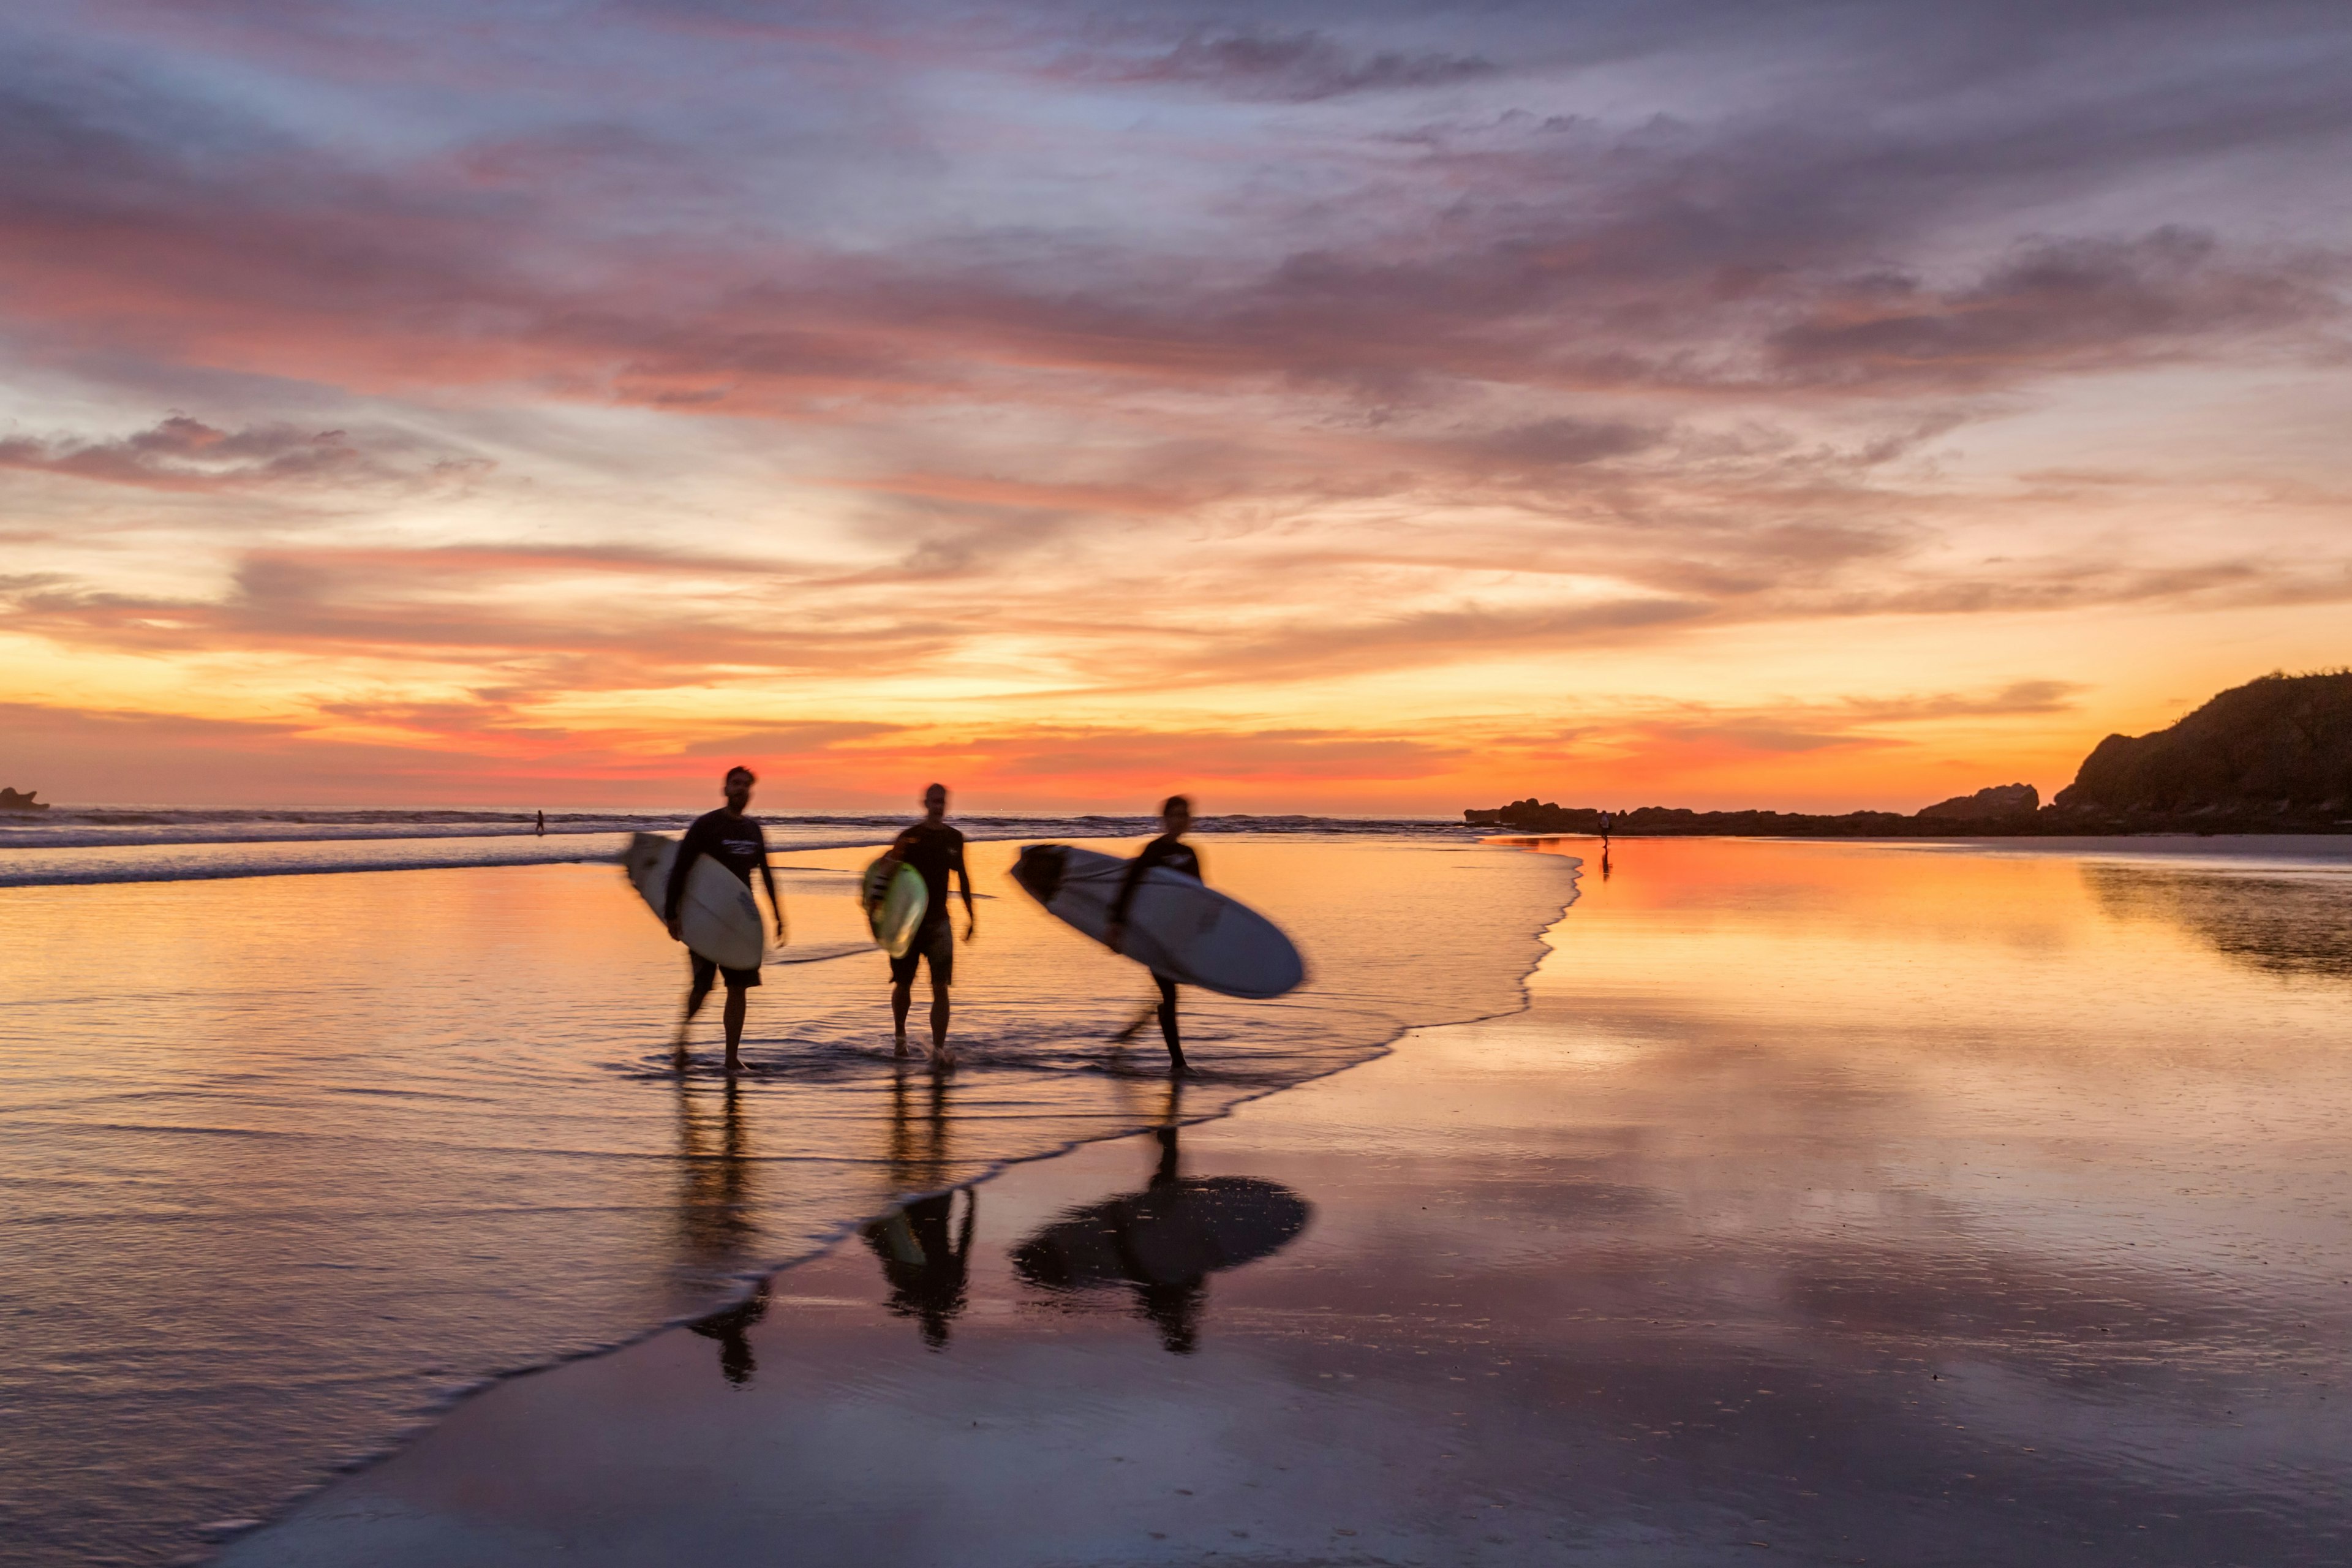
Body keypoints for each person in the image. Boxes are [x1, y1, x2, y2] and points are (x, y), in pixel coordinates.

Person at [665, 765, 785, 1074]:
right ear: (725, 789)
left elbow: (767, 874)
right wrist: (672, 914)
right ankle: (682, 1039)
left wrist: (777, 916)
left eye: (746, 785)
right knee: (703, 987)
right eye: (736, 783)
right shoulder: (706, 826)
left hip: (739, 922)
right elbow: (680, 869)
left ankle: (731, 1057)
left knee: (738, 988)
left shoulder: (753, 830)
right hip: (706, 919)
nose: (741, 789)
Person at [871, 783, 975, 1064]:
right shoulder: (910, 837)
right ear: (925, 803)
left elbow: (962, 877)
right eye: (934, 801)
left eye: (943, 801)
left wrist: (971, 916)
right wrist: (876, 913)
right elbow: (886, 872)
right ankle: (900, 1040)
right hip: (908, 924)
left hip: (940, 921)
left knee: (940, 986)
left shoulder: (955, 838)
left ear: (946, 804)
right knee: (903, 983)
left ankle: (939, 1049)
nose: (939, 806)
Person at [1104, 794, 1200, 1076]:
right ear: (1165, 819)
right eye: (1175, 815)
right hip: (1154, 935)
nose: (1180, 821)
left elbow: (1198, 898)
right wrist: (1116, 925)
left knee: (1168, 994)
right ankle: (1178, 1063)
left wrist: (1198, 935)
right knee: (1169, 994)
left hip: (1178, 937)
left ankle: (1130, 1033)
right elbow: (1128, 887)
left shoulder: (1192, 855)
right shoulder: (1152, 851)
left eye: (1185, 815)